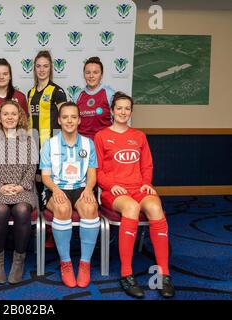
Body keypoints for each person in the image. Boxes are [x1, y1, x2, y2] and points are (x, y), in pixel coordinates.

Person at [94, 92, 175, 299]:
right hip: (114, 192)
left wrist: (147, 183)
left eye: (127, 108)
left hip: (139, 188)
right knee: (131, 208)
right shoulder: (101, 136)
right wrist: (111, 185)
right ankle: (126, 274)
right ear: (112, 111)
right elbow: (97, 171)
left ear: (131, 112)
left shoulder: (139, 136)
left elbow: (147, 165)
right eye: (119, 108)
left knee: (156, 207)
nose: (123, 112)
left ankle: (163, 274)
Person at [40, 102, 99, 288]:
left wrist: (89, 190)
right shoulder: (50, 144)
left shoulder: (88, 144)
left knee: (90, 209)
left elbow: (92, 174)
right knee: (63, 208)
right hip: (55, 187)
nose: (69, 120)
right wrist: (56, 191)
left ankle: (84, 263)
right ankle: (65, 262)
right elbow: (45, 177)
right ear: (59, 120)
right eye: (65, 117)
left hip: (81, 188)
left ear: (79, 120)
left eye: (73, 117)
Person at [0, 100, 38, 284]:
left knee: (22, 210)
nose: (9, 117)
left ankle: (18, 261)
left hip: (23, 188)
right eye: (5, 114)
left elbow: (32, 167)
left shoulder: (28, 139)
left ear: (19, 116)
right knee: (1, 210)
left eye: (13, 113)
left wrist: (21, 185)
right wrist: (0, 186)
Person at [28, 50, 68, 248]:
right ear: (34, 69)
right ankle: (43, 227)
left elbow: (66, 119)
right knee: (37, 184)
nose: (42, 69)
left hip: (52, 148)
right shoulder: (31, 92)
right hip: (35, 146)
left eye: (45, 66)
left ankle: (52, 232)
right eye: (38, 66)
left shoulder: (57, 91)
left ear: (51, 68)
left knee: (50, 185)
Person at [76, 56, 115, 141]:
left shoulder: (109, 94)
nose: (91, 76)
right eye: (88, 72)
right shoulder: (78, 95)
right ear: (84, 75)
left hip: (104, 143)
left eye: (95, 72)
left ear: (101, 75)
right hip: (82, 146)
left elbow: (117, 121)